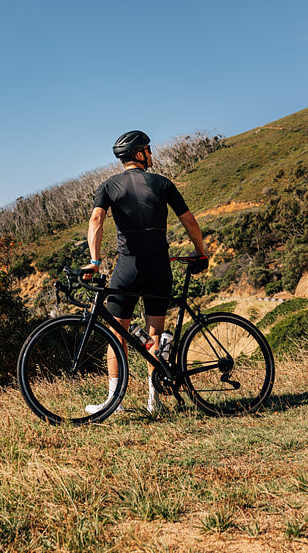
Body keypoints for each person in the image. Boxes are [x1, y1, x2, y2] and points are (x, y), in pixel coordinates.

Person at [83, 130, 208, 414]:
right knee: (155, 334)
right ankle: (155, 401)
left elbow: (96, 220)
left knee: (118, 334)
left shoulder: (109, 186)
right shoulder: (163, 183)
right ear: (140, 154)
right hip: (159, 266)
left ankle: (115, 403)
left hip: (128, 266)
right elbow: (189, 220)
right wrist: (201, 251)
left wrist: (95, 261)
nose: (151, 155)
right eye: (149, 150)